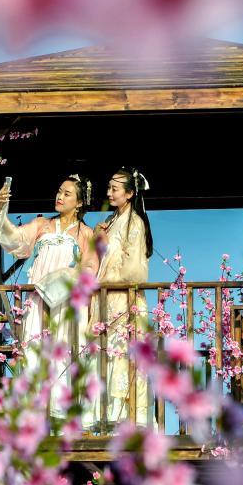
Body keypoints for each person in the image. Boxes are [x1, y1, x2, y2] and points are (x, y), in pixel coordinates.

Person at [0, 175, 98, 421]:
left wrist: (69, 278)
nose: (60, 197)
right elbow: (13, 239)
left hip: (68, 301)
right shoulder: (42, 225)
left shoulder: (86, 234)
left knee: (65, 348)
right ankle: (34, 411)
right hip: (39, 298)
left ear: (80, 202)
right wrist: (0, 208)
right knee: (34, 347)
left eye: (67, 194)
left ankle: (62, 412)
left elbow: (91, 268)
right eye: (59, 191)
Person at [91, 166, 154, 428]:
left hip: (124, 298)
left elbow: (134, 271)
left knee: (123, 355)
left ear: (129, 193)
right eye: (109, 188)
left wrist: (106, 281)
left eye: (114, 189)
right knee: (108, 354)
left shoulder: (134, 223)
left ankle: (126, 419)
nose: (109, 192)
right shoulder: (112, 221)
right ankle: (108, 416)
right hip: (107, 298)